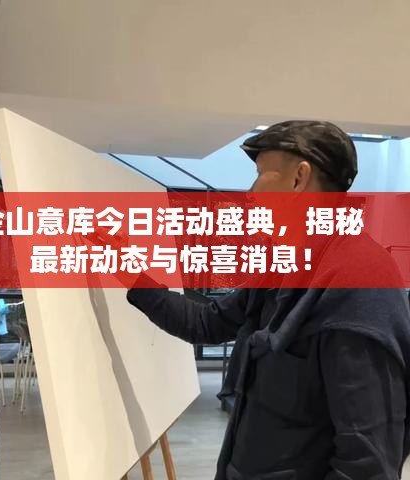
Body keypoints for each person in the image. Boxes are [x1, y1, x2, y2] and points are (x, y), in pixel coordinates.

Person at [124, 121, 410, 480]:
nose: (250, 192)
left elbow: (367, 464)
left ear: (299, 179)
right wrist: (131, 273)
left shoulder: (361, 282)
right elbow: (206, 324)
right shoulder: (286, 263)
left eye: (261, 174)